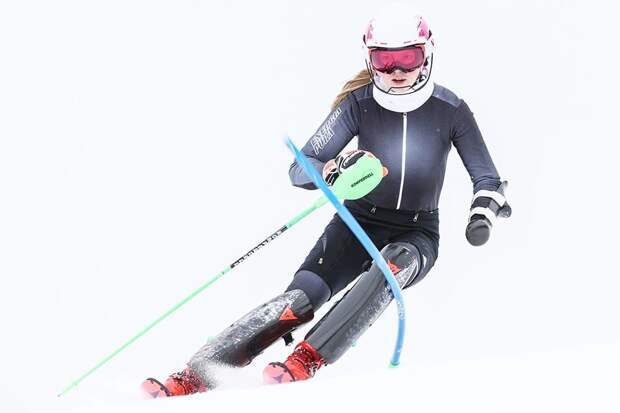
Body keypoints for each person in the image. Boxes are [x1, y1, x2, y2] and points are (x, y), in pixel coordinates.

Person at [141, 11, 511, 398]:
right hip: (357, 222)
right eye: (384, 60)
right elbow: (300, 167)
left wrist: (482, 213)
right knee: (302, 298)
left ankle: (308, 357)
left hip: (417, 232)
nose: (397, 70)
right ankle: (197, 373)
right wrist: (330, 171)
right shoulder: (359, 103)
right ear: (369, 58)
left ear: (427, 54)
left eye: (408, 57)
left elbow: (486, 177)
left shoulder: (450, 109)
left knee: (392, 266)